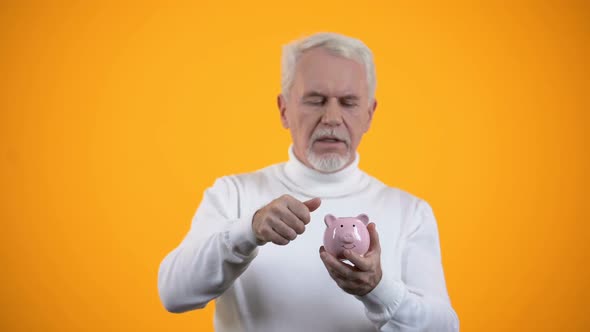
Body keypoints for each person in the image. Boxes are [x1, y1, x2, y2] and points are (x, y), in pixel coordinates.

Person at [158, 32, 459, 332]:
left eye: (349, 102)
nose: (331, 117)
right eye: (315, 100)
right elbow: (173, 294)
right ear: (284, 109)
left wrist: (378, 289)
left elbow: (445, 328)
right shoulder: (232, 194)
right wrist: (247, 231)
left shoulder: (410, 212)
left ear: (369, 114)